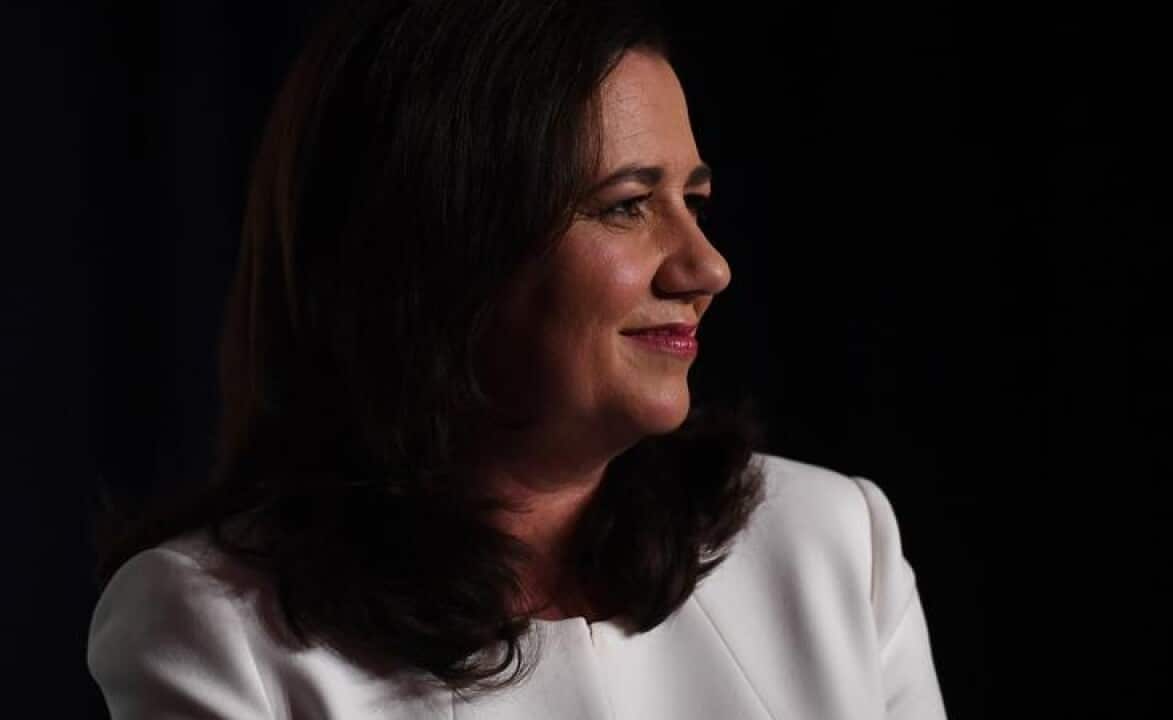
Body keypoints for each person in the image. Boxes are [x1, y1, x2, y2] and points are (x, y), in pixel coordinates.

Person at [86, 0, 948, 717]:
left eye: (694, 201)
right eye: (627, 205)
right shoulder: (213, 627)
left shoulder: (833, 544)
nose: (707, 268)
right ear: (441, 248)